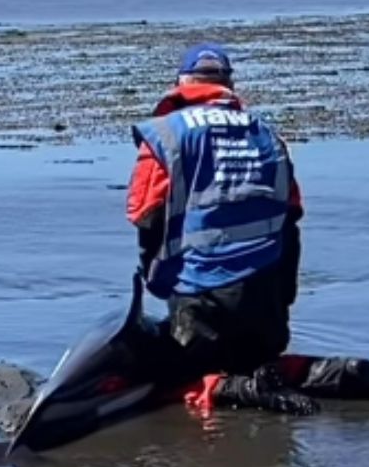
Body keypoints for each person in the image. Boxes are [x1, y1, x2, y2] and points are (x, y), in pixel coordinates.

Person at [127, 43, 316, 415]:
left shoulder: (168, 134)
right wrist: (283, 298)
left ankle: (235, 390)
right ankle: (330, 374)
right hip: (266, 294)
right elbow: (292, 213)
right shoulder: (266, 133)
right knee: (257, 357)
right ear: (228, 84)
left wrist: (156, 278)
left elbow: (143, 212)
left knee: (176, 377)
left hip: (201, 292)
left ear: (181, 83)